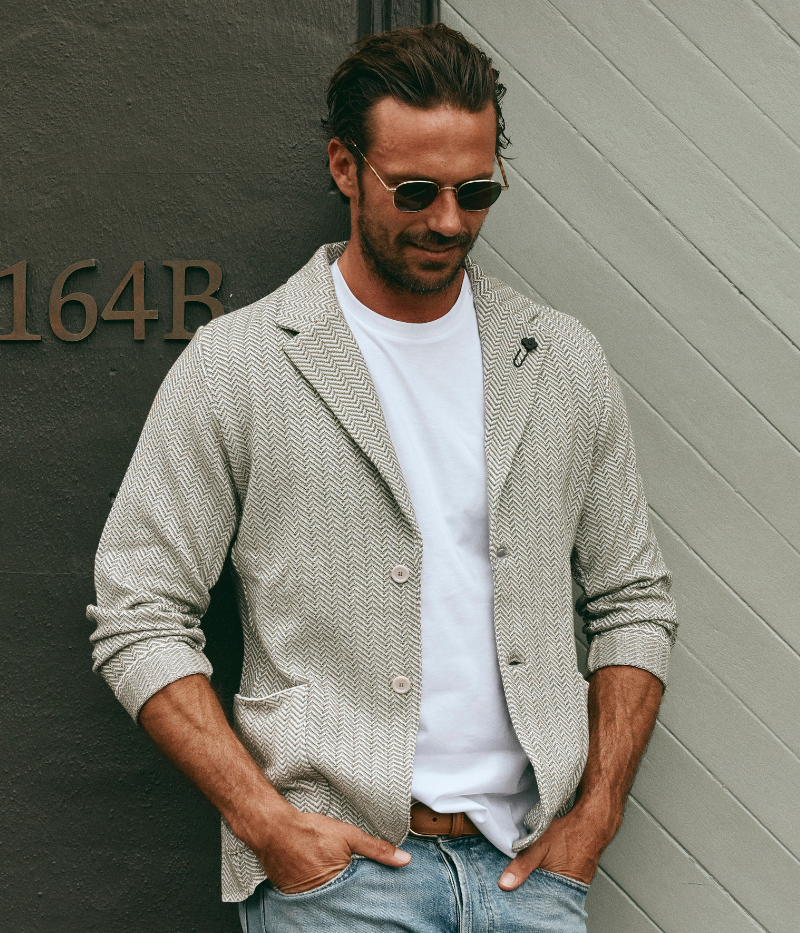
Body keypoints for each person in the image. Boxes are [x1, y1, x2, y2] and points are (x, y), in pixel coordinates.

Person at [88, 24, 677, 933]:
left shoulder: (560, 361)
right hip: (338, 886)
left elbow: (633, 597)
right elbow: (138, 612)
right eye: (415, 190)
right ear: (343, 166)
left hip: (530, 877)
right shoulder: (240, 365)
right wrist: (265, 824)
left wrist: (597, 813)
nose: (449, 219)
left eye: (476, 190)